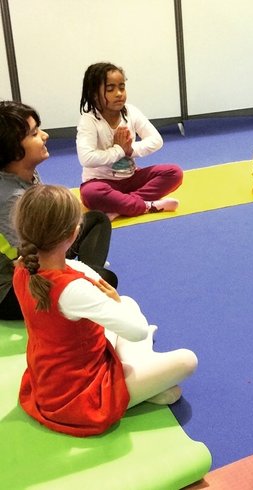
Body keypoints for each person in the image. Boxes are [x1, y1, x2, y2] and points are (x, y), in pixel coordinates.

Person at [13, 184, 198, 436]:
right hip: (76, 396)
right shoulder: (72, 290)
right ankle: (140, 382)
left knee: (128, 304)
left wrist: (116, 302)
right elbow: (138, 332)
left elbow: (79, 273)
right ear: (74, 233)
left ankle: (144, 382)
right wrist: (115, 302)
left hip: (50, 376)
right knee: (187, 360)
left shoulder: (25, 266)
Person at [0, 100, 116, 321]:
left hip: (43, 251)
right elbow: (31, 262)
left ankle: (87, 272)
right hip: (13, 287)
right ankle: (87, 277)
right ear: (13, 149)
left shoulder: (24, 173)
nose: (45, 136)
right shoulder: (12, 200)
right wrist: (77, 279)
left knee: (97, 219)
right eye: (34, 134)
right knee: (105, 279)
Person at [76, 62, 183, 221]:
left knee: (174, 173)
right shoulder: (89, 120)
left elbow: (156, 140)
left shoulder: (131, 112)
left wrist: (130, 150)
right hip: (101, 183)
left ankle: (122, 206)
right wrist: (119, 150)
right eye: (110, 89)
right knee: (90, 194)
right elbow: (86, 158)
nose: (119, 93)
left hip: (132, 179)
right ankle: (148, 205)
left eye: (122, 87)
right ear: (94, 94)